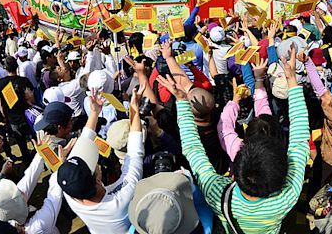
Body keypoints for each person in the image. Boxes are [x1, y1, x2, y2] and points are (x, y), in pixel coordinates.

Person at [160, 45, 309, 233]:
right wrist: (291, 79)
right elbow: (300, 137)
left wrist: (182, 101)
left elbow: (192, 149)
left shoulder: (217, 192)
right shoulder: (288, 196)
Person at [57, 87, 144, 233]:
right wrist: (134, 109)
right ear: (98, 179)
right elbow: (135, 154)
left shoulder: (70, 192)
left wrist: (94, 112)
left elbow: (85, 139)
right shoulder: (119, 202)